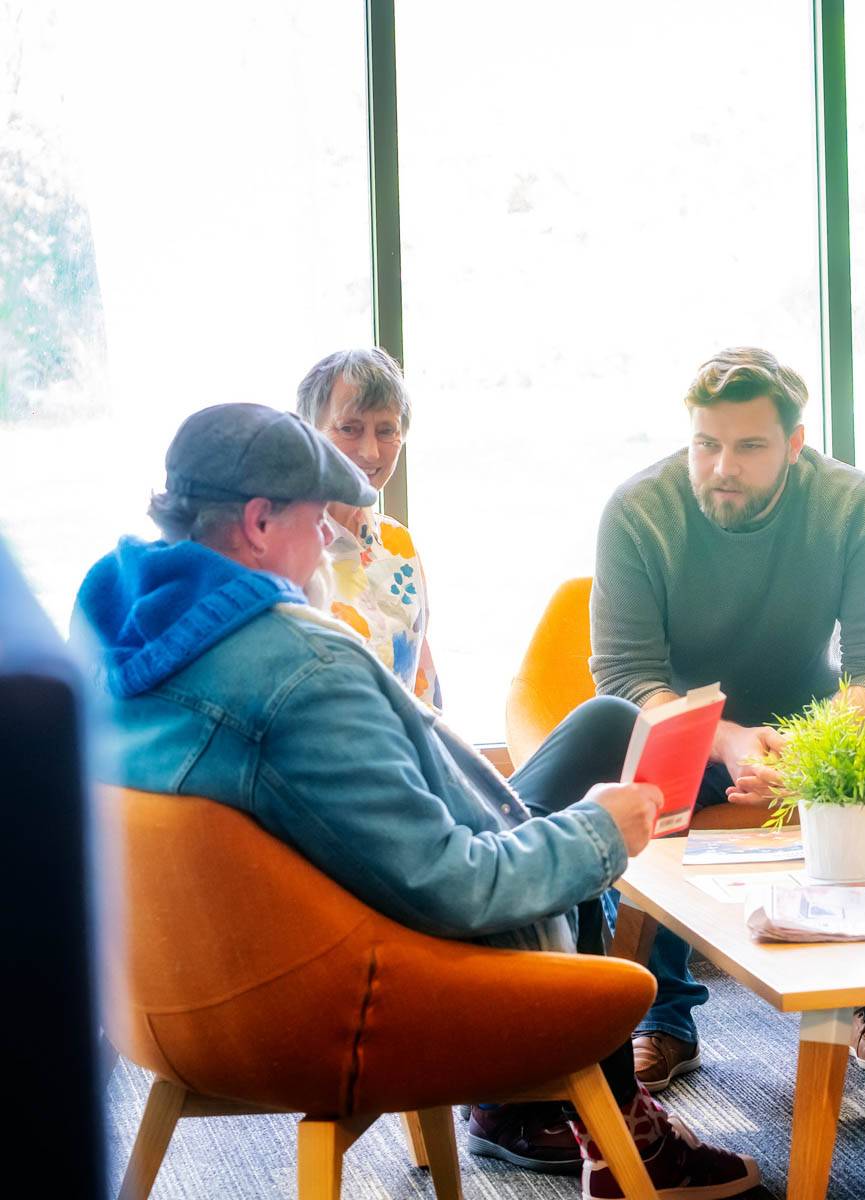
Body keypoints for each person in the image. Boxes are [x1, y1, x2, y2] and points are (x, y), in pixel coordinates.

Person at [76, 404, 760, 1199]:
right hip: (359, 984)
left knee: (607, 724)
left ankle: (522, 1114)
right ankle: (610, 1126)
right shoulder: (299, 667)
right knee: (579, 864)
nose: (332, 539)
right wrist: (597, 835)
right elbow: (454, 885)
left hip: (175, 991)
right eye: (318, 520)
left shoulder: (119, 630)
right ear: (259, 522)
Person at [593, 346, 865, 1086]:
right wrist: (727, 739)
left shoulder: (850, 504)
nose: (721, 468)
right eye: (705, 445)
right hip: (687, 725)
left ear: (794, 445)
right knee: (640, 778)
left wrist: (805, 752)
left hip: (818, 721)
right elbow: (624, 675)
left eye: (748, 447)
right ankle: (659, 1010)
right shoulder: (638, 511)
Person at [295, 348, 440, 707]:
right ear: (307, 432)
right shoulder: (286, 550)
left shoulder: (398, 544)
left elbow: (423, 682)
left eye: (386, 430)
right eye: (350, 428)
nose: (371, 452)